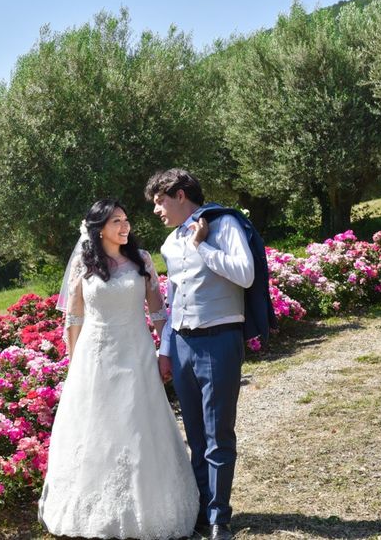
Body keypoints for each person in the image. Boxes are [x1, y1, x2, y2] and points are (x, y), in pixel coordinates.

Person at [39, 198, 199, 540]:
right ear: (99, 229)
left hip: (137, 352)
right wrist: (73, 361)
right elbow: (75, 317)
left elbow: (158, 313)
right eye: (116, 221)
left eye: (126, 220)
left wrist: (164, 352)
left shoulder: (141, 261)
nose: (125, 226)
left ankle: (149, 507)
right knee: (98, 427)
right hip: (95, 356)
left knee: (138, 422)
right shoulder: (85, 264)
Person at [145, 168, 274, 540]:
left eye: (160, 201)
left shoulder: (224, 224)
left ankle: (220, 518)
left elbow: (245, 274)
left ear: (180, 194)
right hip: (182, 344)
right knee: (196, 435)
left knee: (219, 433)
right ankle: (200, 511)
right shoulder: (170, 244)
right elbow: (172, 301)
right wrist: (166, 350)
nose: (157, 210)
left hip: (219, 339)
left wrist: (203, 245)